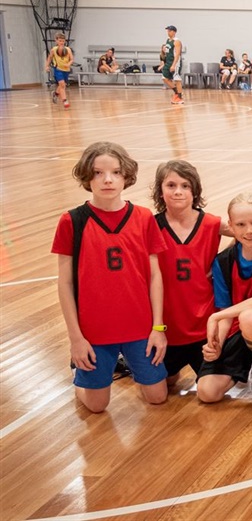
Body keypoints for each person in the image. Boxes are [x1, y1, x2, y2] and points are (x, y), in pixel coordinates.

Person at [51, 142, 168, 412]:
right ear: (86, 177)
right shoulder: (72, 221)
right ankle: (81, 374)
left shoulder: (142, 217)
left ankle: (126, 362)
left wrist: (158, 328)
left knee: (158, 396)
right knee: (96, 406)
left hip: (139, 328)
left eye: (115, 172)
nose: (107, 179)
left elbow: (154, 276)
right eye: (98, 173)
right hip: (94, 332)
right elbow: (65, 283)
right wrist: (76, 339)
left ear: (126, 176)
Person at [196, 193, 252, 404]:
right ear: (231, 227)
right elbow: (225, 311)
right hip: (238, 328)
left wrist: (216, 317)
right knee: (207, 393)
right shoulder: (223, 261)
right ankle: (249, 360)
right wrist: (217, 343)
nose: (249, 230)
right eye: (241, 224)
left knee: (250, 317)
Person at [152, 160, 222, 390]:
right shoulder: (151, 226)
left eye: (185, 185)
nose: (178, 191)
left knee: (210, 391)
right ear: (160, 191)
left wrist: (223, 264)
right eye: (171, 185)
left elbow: (250, 231)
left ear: (195, 191)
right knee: (160, 389)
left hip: (204, 330)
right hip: (168, 332)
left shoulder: (212, 223)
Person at [45, 32, 74, 109]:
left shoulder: (68, 50)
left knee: (62, 85)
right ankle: (65, 100)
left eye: (63, 41)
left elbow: (71, 59)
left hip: (66, 70)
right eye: (60, 41)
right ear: (56, 41)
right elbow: (49, 58)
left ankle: (56, 94)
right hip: (58, 69)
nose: (61, 42)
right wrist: (47, 66)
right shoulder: (53, 50)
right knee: (62, 85)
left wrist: (69, 64)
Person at [161, 25, 185, 105]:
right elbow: (169, 51)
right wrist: (164, 51)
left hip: (175, 62)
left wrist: (174, 65)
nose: (168, 32)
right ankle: (176, 92)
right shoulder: (168, 40)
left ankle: (180, 97)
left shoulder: (177, 41)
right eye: (167, 31)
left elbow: (177, 54)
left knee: (177, 79)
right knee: (164, 78)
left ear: (174, 32)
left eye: (169, 31)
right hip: (168, 61)